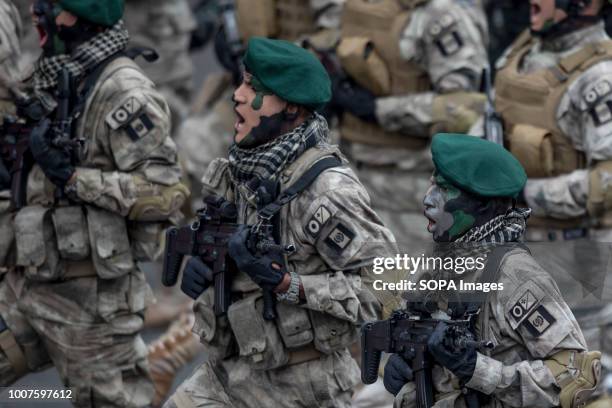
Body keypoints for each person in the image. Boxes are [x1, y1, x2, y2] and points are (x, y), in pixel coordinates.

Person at [164, 36, 394, 408]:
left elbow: (388, 289)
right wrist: (210, 266)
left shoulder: (328, 189)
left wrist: (291, 284)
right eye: (241, 81)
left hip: (302, 389)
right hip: (228, 373)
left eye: (254, 89)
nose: (237, 95)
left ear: (291, 109)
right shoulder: (246, 165)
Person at [0, 1, 189, 406]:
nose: (35, 12)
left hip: (92, 307)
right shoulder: (53, 72)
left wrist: (73, 177)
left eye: (47, 6)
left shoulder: (123, 91)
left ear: (74, 17)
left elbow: (166, 193)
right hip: (25, 287)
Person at [384, 133, 599, 407]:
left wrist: (479, 370)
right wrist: (407, 361)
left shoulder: (515, 277)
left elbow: (576, 375)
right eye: (432, 185)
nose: (427, 199)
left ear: (483, 205)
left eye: (445, 191)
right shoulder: (441, 259)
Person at [493, 0, 612, 402]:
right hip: (515, 249)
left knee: (582, 382)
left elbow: (606, 182)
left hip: (580, 258)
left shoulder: (601, 76)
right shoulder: (521, 52)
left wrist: (524, 194)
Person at [330, 0, 489, 252]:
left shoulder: (442, 16)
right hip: (351, 177)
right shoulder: (358, 6)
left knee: (406, 286)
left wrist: (379, 111)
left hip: (409, 189)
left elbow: (466, 108)